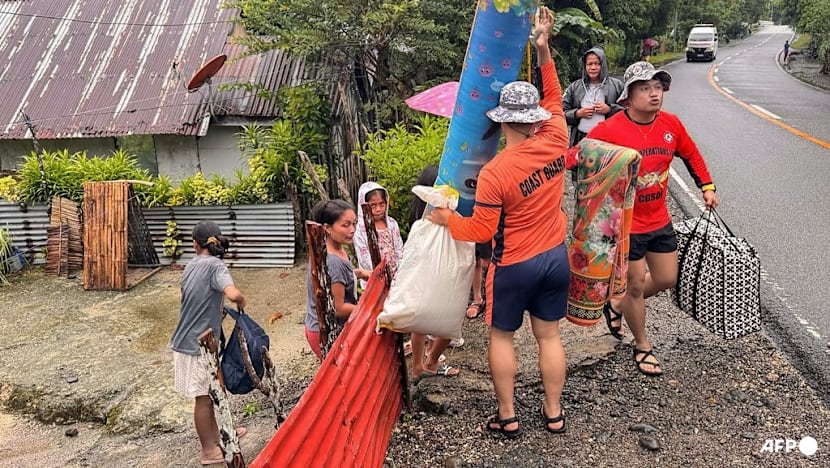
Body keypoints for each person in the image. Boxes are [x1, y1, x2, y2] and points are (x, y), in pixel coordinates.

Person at [428, 7, 569, 438]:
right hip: (555, 258)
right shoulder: (557, 137)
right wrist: (542, 48)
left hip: (514, 265)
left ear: (501, 119)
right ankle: (554, 413)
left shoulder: (495, 173)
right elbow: (554, 96)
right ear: (536, 117)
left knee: (502, 338)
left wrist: (446, 217)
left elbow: (481, 232)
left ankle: (508, 415)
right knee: (549, 337)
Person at [576, 61, 719, 376]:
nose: (654, 94)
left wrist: (706, 187)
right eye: (645, 88)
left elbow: (691, 154)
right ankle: (642, 345)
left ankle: (618, 304)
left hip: (659, 219)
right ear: (628, 97)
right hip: (627, 226)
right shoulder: (611, 129)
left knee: (667, 278)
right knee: (636, 285)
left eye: (657, 87)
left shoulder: (671, 124)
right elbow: (580, 156)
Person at [169, 220, 248, 465]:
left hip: (189, 339)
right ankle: (208, 450)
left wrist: (217, 311)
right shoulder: (216, 266)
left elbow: (196, 299)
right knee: (203, 398)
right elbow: (232, 293)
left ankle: (222, 433)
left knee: (212, 391)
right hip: (196, 346)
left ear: (195, 244)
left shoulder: (191, 265)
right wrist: (241, 301)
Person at [407, 165, 460, 380]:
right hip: (437, 273)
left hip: (425, 273)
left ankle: (423, 364)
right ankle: (429, 361)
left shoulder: (420, 216)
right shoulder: (431, 217)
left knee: (424, 321)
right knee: (446, 319)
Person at [304, 199, 371, 361]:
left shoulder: (336, 250)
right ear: (327, 228)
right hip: (325, 332)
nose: (352, 230)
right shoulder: (333, 262)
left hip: (325, 326)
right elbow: (338, 308)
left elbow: (339, 280)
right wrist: (370, 309)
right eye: (345, 225)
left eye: (354, 223)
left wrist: (359, 273)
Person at [562, 47, 625, 148]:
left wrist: (610, 109)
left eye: (597, 63)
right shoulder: (574, 87)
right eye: (589, 64)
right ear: (585, 66)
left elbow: (630, 112)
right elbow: (560, 114)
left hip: (609, 141)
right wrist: (577, 114)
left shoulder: (617, 85)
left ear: (603, 65)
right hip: (581, 140)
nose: (593, 67)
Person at [354, 181, 404, 287]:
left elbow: (399, 248)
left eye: (382, 204)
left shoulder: (392, 224)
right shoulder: (360, 230)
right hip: (373, 278)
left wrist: (398, 270)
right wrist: (379, 273)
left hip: (395, 277)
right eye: (373, 205)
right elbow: (364, 257)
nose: (378, 209)